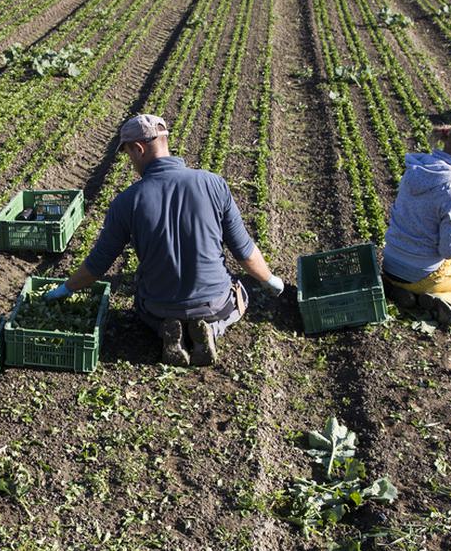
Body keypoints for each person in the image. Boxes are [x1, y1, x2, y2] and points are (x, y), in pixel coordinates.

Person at [44, 114, 283, 366]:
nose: (131, 161)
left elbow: (98, 263)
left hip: (158, 306)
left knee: (146, 303)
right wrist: (270, 280)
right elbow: (244, 252)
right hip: (213, 304)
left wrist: (64, 289)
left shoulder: (127, 202)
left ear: (139, 148)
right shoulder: (214, 184)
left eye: (128, 154)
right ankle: (211, 329)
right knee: (239, 294)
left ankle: (165, 330)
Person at [380, 121, 451, 329]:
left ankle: (400, 291)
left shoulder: (416, 170)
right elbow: (449, 249)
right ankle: (448, 303)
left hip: (390, 263)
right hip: (422, 273)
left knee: (415, 271)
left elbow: (423, 213)